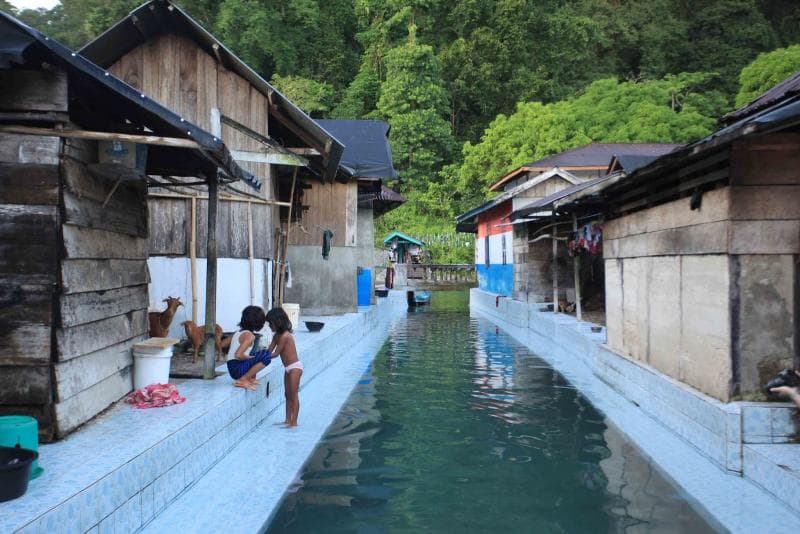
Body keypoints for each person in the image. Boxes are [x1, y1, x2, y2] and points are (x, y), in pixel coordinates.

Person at [266, 307, 303, 427]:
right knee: (287, 395)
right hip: (287, 368)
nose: (269, 326)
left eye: (270, 323)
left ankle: (294, 422)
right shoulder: (276, 336)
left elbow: (275, 354)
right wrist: (259, 355)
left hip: (295, 367)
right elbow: (269, 351)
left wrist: (261, 358)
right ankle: (287, 420)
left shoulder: (285, 336)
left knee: (293, 394)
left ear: (278, 322)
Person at [224, 305, 272, 391]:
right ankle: (243, 379)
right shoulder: (249, 336)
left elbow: (222, 345)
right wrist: (250, 358)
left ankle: (249, 378)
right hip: (237, 369)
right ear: (257, 322)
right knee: (266, 355)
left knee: (256, 355)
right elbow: (238, 355)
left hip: (232, 367)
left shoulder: (238, 332)